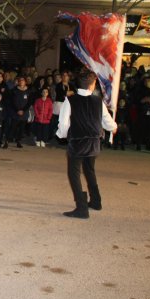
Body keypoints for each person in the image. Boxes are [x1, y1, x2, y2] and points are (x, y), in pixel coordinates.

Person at [57, 70, 117, 219]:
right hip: (94, 142)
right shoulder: (98, 101)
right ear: (93, 84)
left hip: (78, 142)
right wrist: (113, 127)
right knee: (89, 170)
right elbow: (107, 121)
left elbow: (63, 123)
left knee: (74, 173)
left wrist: (62, 135)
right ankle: (96, 201)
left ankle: (82, 208)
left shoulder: (70, 100)